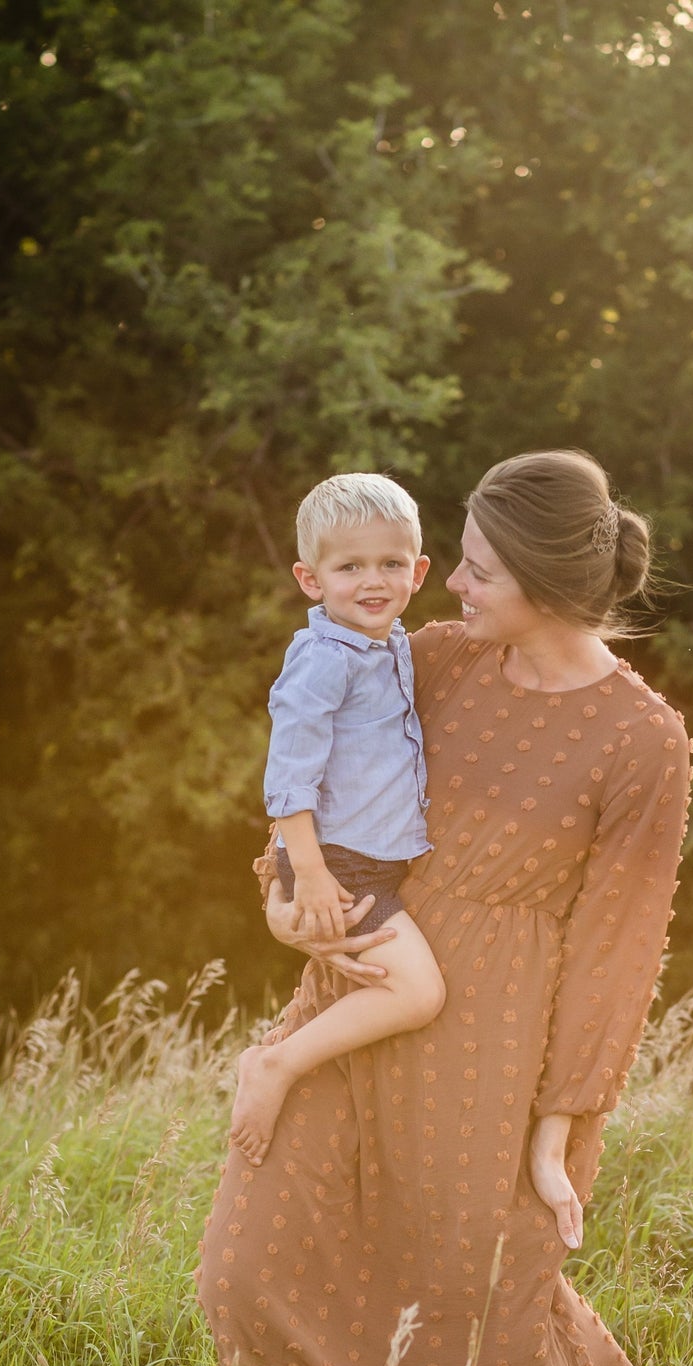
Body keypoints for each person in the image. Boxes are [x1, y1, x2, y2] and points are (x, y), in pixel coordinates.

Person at [196, 450, 692, 1366]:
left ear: (548, 586)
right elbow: (316, 779)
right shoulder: (429, 659)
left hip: (501, 1041)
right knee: (254, 1250)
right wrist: (286, 898)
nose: (448, 587)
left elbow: (619, 946)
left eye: (474, 572)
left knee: (485, 1289)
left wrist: (559, 1125)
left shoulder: (640, 740)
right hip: (370, 978)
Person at [229, 473, 446, 1165]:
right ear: (310, 578)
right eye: (348, 566)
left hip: (362, 858)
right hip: (335, 861)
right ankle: (276, 1064)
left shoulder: (389, 643)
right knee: (418, 993)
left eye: (388, 563)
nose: (371, 580)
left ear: (417, 570)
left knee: (381, 985)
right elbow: (288, 778)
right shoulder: (324, 659)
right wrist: (312, 877)